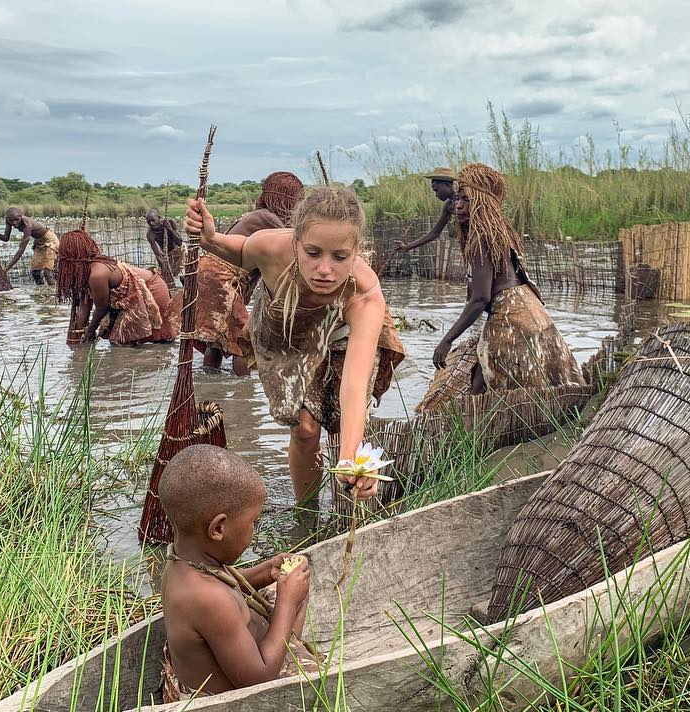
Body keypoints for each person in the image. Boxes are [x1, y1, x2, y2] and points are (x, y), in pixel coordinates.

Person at [185, 185, 405, 508]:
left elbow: (355, 385)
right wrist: (210, 239)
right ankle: (306, 513)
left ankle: (344, 494)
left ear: (356, 252)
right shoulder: (271, 247)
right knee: (304, 428)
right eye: (313, 253)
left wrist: (350, 457)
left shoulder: (365, 294)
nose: (325, 270)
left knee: (346, 425)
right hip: (285, 329)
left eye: (340, 257)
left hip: (342, 337)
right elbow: (242, 250)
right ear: (296, 242)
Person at [159, 445, 317, 700]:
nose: (254, 529)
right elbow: (259, 679)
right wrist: (287, 603)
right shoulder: (208, 599)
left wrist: (264, 571)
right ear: (218, 529)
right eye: (253, 522)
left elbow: (224, 583)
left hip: (234, 659)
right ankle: (287, 646)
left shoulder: (180, 560)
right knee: (292, 602)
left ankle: (284, 639)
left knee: (289, 586)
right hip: (236, 693)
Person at [423, 163, 584, 409]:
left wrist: (447, 340)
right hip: (531, 310)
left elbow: (480, 299)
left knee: (507, 388)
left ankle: (479, 424)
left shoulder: (480, 239)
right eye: (457, 199)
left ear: (481, 203)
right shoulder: (498, 231)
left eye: (466, 200)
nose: (458, 206)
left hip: (511, 317)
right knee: (528, 382)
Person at [167, 171, 305, 376]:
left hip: (210, 274)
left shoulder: (258, 215)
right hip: (220, 277)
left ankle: (212, 381)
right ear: (286, 199)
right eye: (297, 201)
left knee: (217, 341)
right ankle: (243, 389)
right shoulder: (268, 219)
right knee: (242, 341)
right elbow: (293, 244)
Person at [56, 228, 176, 346]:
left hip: (152, 291)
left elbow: (101, 309)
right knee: (121, 340)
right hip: (133, 298)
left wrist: (90, 332)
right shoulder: (84, 273)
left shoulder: (97, 274)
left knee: (137, 341)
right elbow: (84, 307)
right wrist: (78, 339)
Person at [392, 166, 456, 255]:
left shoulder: (469, 199)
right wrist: (407, 247)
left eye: (437, 190)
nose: (436, 194)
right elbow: (434, 233)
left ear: (448, 185)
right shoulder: (449, 206)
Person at [0, 206, 59, 284]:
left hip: (50, 240)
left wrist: (6, 269)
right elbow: (6, 238)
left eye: (17, 220)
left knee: (47, 272)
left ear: (21, 216)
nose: (14, 223)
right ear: (7, 219)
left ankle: (52, 291)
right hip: (39, 241)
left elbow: (21, 250)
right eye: (12, 221)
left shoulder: (27, 225)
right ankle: (40, 290)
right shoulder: (8, 221)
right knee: (35, 272)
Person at [145, 209, 185, 287]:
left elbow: (179, 242)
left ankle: (186, 290)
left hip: (179, 251)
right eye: (148, 222)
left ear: (158, 217)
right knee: (165, 278)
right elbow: (158, 255)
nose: (151, 223)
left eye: (153, 220)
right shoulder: (150, 234)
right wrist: (164, 267)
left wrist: (170, 229)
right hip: (167, 256)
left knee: (183, 278)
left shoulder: (170, 222)